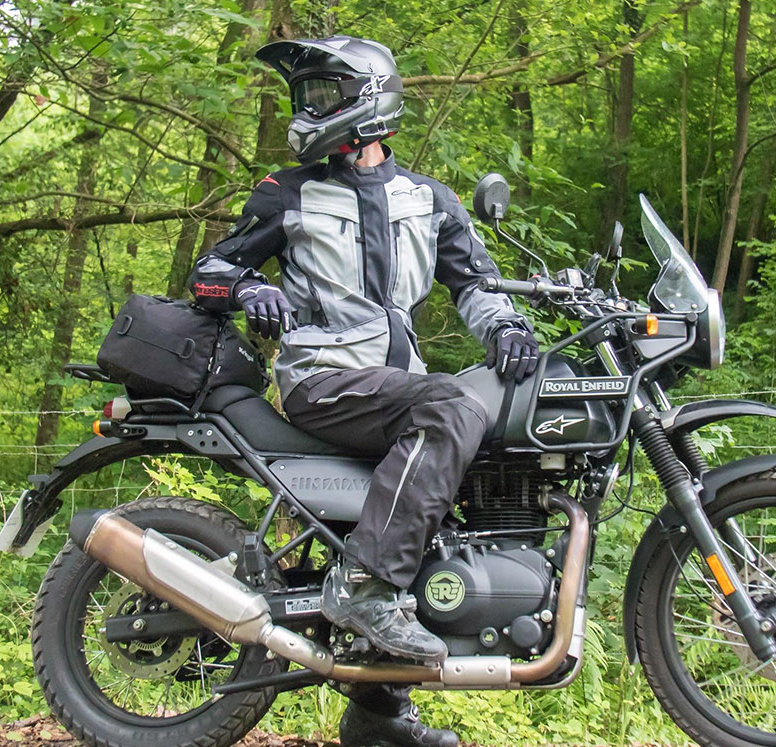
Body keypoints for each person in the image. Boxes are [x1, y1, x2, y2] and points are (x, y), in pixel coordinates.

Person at [189, 35, 540, 747]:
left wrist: (505, 327)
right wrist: (249, 286)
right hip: (321, 381)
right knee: (451, 405)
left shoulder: (429, 200)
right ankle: (364, 589)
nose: (309, 108)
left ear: (371, 100)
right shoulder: (284, 193)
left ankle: (379, 717)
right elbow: (208, 274)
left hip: (390, 388)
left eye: (323, 94)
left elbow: (476, 284)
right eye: (307, 96)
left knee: (441, 498)